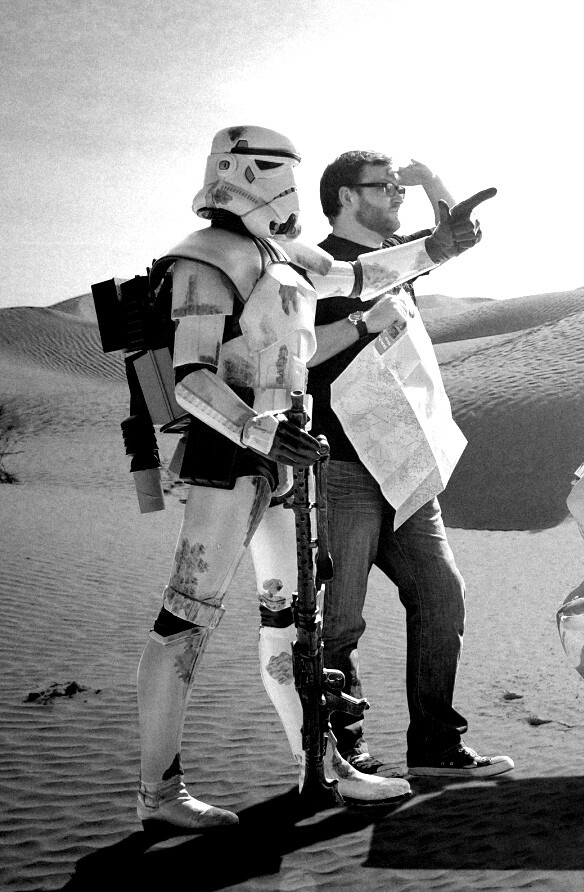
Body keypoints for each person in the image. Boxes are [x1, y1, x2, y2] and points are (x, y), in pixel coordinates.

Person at [135, 125, 486, 832]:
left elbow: (361, 279)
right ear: (237, 171)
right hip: (229, 458)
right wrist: (259, 431)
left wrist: (436, 248)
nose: (285, 184)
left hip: (289, 459)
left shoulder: (290, 255)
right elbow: (193, 377)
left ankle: (322, 763)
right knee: (187, 619)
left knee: (295, 624)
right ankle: (159, 792)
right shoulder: (204, 259)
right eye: (272, 169)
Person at [304, 150, 514, 780]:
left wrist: (431, 183)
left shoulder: (396, 259)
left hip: (406, 469)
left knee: (443, 597)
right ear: (345, 197)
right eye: (384, 187)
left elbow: (455, 238)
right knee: (339, 623)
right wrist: (363, 323)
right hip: (342, 468)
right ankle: (344, 753)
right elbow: (297, 354)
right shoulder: (315, 268)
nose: (395, 195)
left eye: (398, 187)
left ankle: (435, 747)